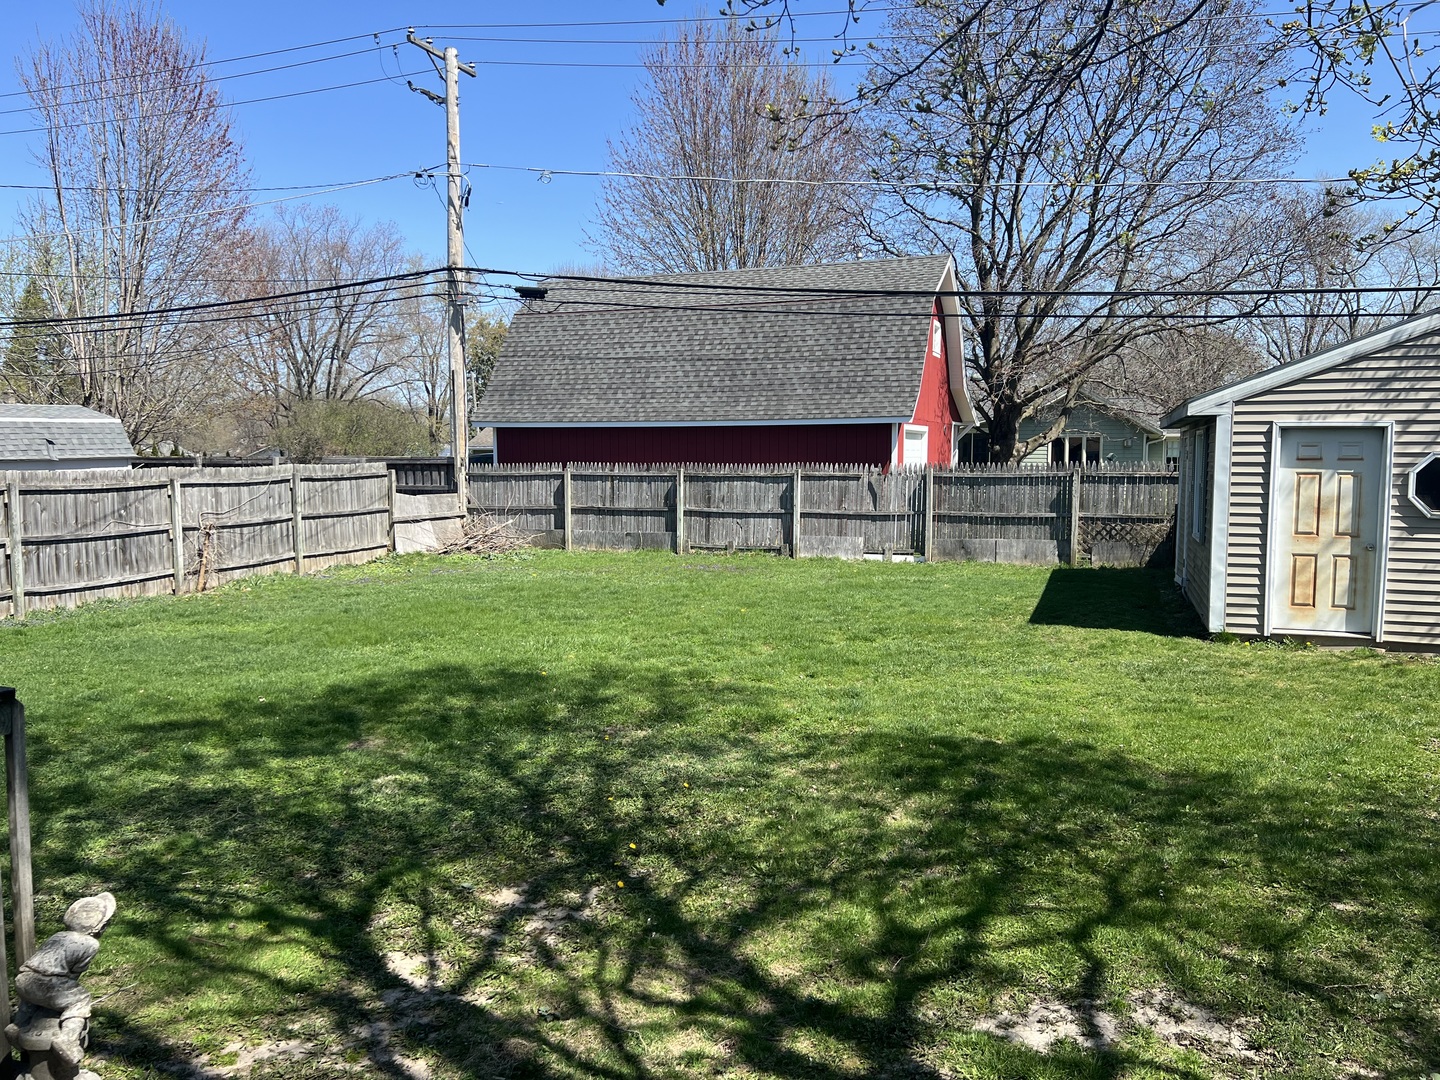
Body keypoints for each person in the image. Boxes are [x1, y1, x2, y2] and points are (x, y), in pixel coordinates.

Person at [6, 892, 116, 1067]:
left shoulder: (57, 936)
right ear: (99, 927)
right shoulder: (90, 943)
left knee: (33, 999)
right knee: (80, 999)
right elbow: (74, 973)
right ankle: (67, 1040)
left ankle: (17, 1026)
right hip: (48, 983)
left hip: (24, 978)